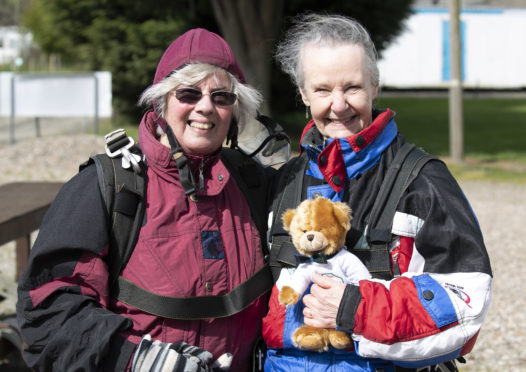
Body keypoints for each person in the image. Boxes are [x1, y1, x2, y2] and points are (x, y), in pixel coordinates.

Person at [17, 28, 275, 371]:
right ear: (161, 101)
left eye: (222, 97)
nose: (205, 107)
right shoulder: (108, 187)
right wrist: (137, 360)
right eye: (188, 93)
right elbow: (48, 309)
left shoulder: (254, 184)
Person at [262, 14, 492, 371]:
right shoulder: (284, 182)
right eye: (323, 90)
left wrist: (355, 308)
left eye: (352, 87)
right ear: (304, 94)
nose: (338, 105)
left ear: (374, 86)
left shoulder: (423, 181)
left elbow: (468, 298)